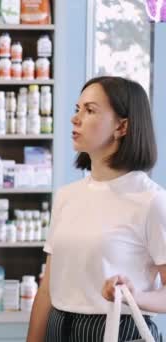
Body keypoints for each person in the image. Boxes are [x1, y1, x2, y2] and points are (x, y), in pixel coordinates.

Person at [27, 76, 165, 341]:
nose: (76, 118)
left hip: (117, 331)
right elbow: (48, 288)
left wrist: (135, 297)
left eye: (90, 110)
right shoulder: (67, 196)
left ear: (122, 126)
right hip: (58, 328)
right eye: (77, 109)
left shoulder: (152, 201)